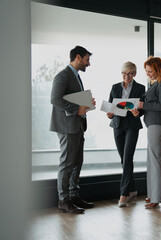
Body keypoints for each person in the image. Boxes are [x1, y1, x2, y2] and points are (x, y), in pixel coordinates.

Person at [50, 45, 96, 214]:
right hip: (67, 127)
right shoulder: (63, 75)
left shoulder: (75, 76)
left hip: (77, 126)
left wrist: (86, 104)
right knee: (67, 163)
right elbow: (55, 99)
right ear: (78, 57)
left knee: (77, 163)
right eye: (87, 59)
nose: (88, 64)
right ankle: (63, 200)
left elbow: (72, 98)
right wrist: (77, 109)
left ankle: (74, 195)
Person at [131, 56, 161, 209]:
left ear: (158, 69)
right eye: (146, 71)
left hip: (158, 125)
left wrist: (143, 104)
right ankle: (153, 195)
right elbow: (150, 106)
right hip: (153, 124)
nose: (148, 74)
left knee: (155, 162)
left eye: (150, 71)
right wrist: (139, 112)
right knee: (152, 161)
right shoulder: (156, 84)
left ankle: (157, 198)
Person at [106, 61, 145, 207]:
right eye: (124, 73)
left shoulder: (140, 88)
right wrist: (109, 114)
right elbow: (111, 106)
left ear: (134, 74)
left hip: (132, 126)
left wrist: (137, 113)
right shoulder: (115, 87)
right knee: (124, 159)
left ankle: (124, 194)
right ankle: (133, 190)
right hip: (117, 125)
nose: (126, 77)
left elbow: (143, 109)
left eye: (129, 74)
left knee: (128, 157)